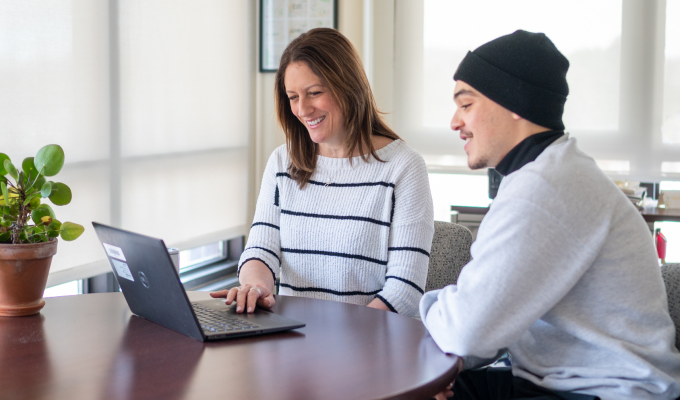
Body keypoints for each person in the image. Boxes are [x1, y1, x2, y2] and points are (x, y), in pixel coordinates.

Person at [421, 30, 680, 400]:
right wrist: (454, 359)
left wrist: (435, 309)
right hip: (556, 380)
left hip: (607, 392)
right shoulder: (545, 173)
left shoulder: (545, 190)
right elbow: (485, 325)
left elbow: (468, 328)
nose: (454, 123)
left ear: (514, 102)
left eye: (466, 105)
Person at [211, 28, 433, 319]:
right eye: (293, 97)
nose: (303, 109)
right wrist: (255, 287)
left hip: (369, 347)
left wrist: (334, 345)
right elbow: (260, 250)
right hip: (293, 341)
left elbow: (404, 293)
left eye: (314, 93)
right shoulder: (282, 162)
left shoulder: (403, 168)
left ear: (348, 87)